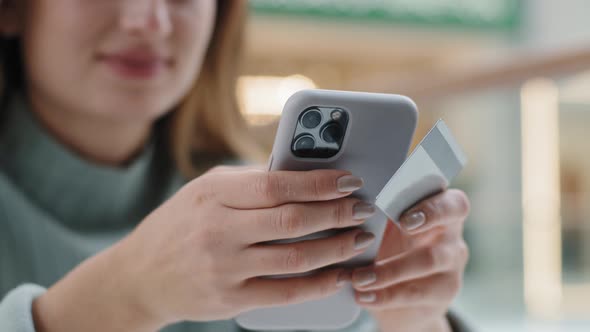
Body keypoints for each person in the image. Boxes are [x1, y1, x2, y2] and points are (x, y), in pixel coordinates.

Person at [0, 1, 471, 331]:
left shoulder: (252, 203)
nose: (150, 19)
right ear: (13, 7)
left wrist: (414, 320)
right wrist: (128, 292)